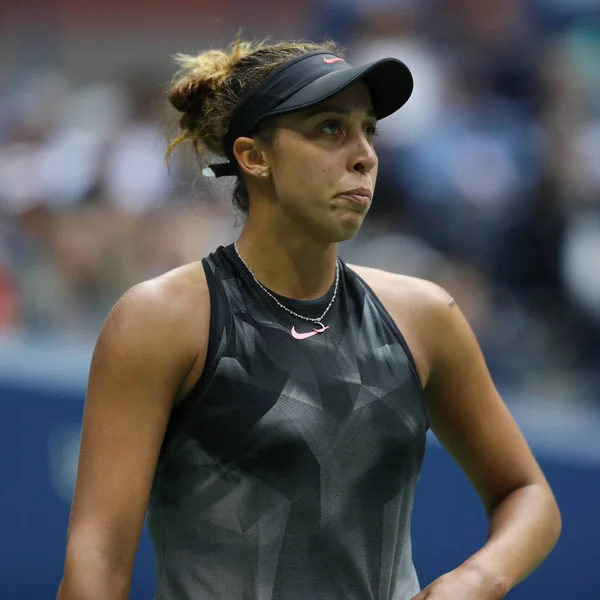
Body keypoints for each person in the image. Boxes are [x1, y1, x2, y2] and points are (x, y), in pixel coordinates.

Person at [57, 38, 561, 600]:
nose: (364, 153)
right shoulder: (160, 320)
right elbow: (96, 560)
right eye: (329, 128)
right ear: (255, 157)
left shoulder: (427, 316)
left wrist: (473, 580)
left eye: (369, 129)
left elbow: (527, 493)